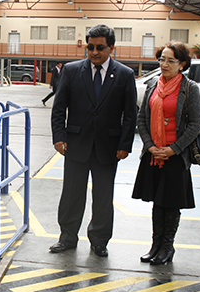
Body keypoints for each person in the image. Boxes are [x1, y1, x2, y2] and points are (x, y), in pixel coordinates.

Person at [49, 24, 138, 257]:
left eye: (100, 47)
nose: (94, 52)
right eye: (90, 47)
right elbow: (59, 108)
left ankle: (99, 241)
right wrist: (59, 136)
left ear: (112, 48)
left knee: (103, 197)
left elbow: (130, 114)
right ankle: (67, 237)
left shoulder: (125, 75)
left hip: (108, 148)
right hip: (76, 144)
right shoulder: (71, 70)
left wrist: (124, 144)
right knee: (71, 194)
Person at [131, 41, 200, 265]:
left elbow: (196, 124)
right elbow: (142, 117)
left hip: (175, 157)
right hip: (154, 153)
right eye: (162, 59)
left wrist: (173, 149)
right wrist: (150, 145)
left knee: (170, 203)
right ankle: (155, 246)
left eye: (170, 60)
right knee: (157, 203)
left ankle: (167, 247)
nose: (164, 64)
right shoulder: (153, 84)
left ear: (182, 64)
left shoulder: (190, 88)